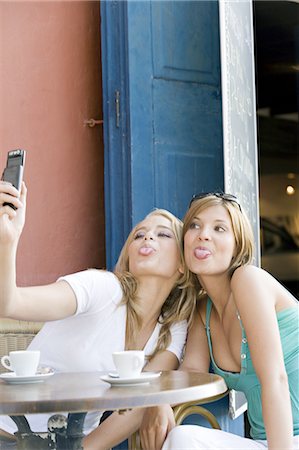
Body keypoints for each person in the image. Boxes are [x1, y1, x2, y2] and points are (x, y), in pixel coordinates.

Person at [0, 180, 197, 450]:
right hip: (8, 436)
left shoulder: (170, 327)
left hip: (71, 445)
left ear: (183, 266)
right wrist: (8, 240)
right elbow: (10, 303)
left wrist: (160, 400)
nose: (147, 237)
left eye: (163, 235)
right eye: (139, 234)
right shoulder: (102, 288)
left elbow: (148, 393)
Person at [140, 192, 298, 450]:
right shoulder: (204, 309)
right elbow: (192, 372)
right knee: (182, 439)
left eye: (219, 228)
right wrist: (159, 399)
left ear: (238, 245)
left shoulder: (248, 280)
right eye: (194, 225)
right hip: (264, 442)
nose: (203, 234)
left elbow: (275, 378)